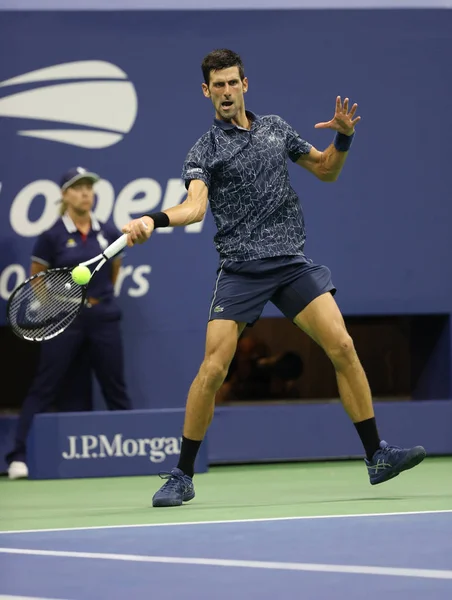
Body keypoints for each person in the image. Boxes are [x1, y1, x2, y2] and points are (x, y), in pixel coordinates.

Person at [122, 49, 426, 507]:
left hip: (289, 263)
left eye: (232, 83)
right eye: (217, 85)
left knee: (342, 346)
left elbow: (326, 170)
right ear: (206, 92)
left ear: (245, 84)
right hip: (241, 270)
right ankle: (182, 475)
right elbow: (194, 207)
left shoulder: (275, 128)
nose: (226, 92)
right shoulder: (204, 149)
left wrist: (343, 140)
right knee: (213, 369)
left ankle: (376, 456)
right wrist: (153, 220)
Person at [6, 167, 131, 480]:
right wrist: (57, 309)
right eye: (78, 188)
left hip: (103, 318)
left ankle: (134, 450)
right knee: (44, 387)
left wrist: (98, 301)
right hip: (65, 319)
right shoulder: (51, 236)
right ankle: (18, 455)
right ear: (65, 195)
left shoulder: (108, 230)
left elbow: (113, 269)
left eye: (89, 187)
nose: (85, 193)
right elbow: (37, 277)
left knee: (115, 389)